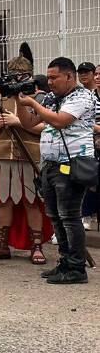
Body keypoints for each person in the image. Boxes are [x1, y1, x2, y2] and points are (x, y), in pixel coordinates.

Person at [17, 57, 95, 284]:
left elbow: (60, 121)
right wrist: (21, 102)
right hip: (50, 164)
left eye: (54, 77)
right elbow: (30, 124)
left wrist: (33, 104)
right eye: (48, 77)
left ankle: (77, 268)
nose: (49, 82)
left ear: (69, 76)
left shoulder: (82, 96)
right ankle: (65, 262)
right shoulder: (51, 98)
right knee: (55, 217)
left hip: (72, 164)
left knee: (70, 217)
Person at [0, 45, 50, 263]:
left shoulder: (41, 98)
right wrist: (0, 122)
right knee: (4, 201)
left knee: (31, 201)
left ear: (29, 75)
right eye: (14, 75)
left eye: (22, 75)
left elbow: (48, 126)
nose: (17, 79)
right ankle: (1, 246)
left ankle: (36, 247)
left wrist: (19, 122)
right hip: (2, 156)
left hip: (30, 154)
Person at [75, 61, 99, 230]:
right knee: (90, 180)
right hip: (90, 143)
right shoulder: (87, 96)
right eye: (96, 74)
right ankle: (86, 215)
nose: (97, 77)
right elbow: (82, 120)